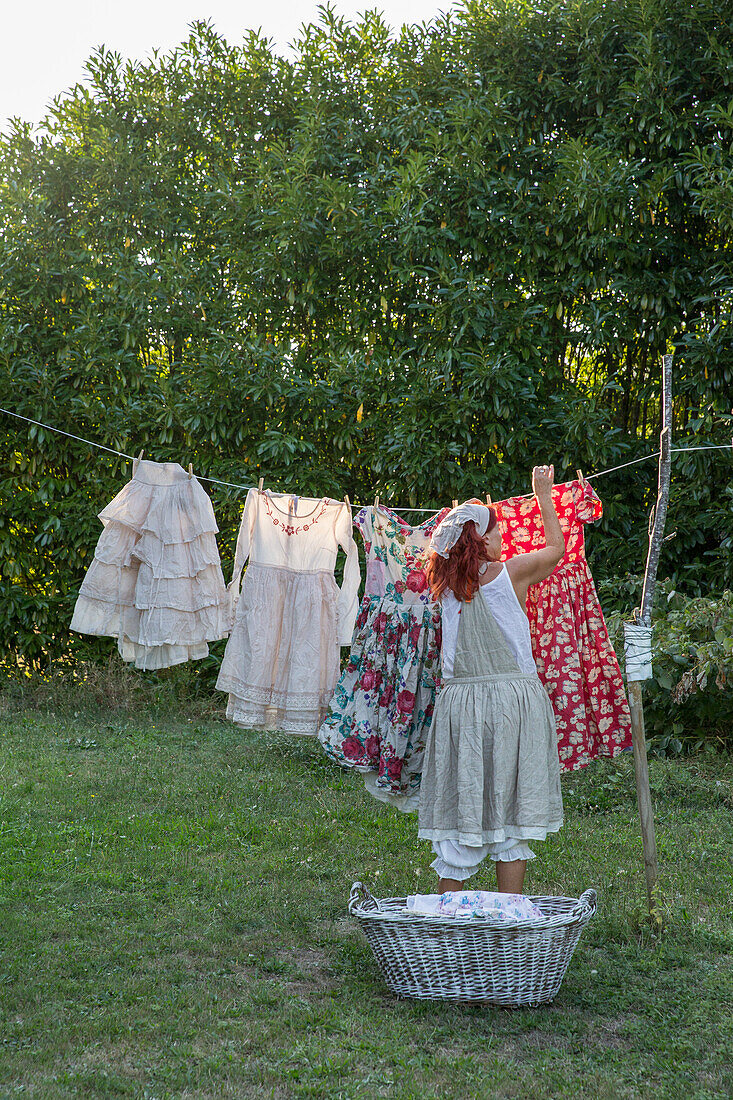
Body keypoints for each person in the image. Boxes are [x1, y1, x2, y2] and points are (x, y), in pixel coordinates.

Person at [418, 465, 565, 894]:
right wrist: (542, 493)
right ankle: (507, 926)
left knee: (462, 809)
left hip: (461, 706)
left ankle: (446, 931)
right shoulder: (511, 573)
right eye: (497, 533)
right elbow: (556, 548)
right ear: (481, 539)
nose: (503, 540)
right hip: (511, 703)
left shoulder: (445, 587)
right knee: (512, 822)